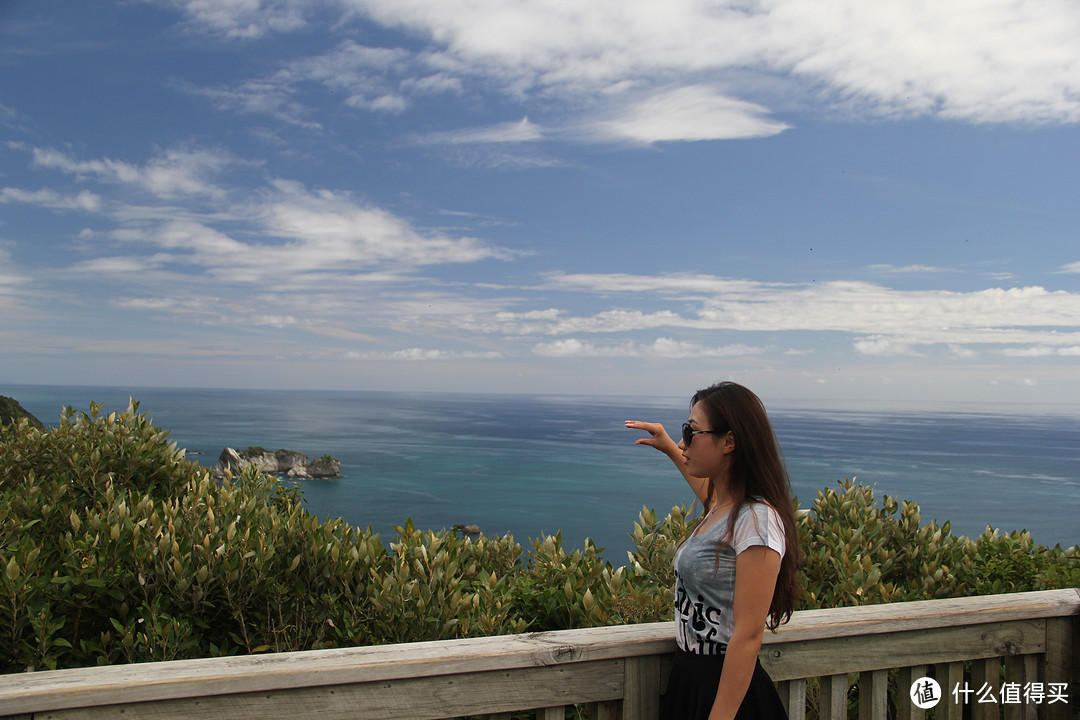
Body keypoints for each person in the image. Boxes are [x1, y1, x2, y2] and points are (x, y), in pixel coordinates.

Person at [626, 381, 800, 720]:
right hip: (690, 681)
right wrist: (669, 448)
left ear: (730, 441)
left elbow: (748, 636)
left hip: (726, 693)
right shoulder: (723, 507)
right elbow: (708, 491)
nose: (683, 443)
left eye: (691, 433)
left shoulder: (757, 520)